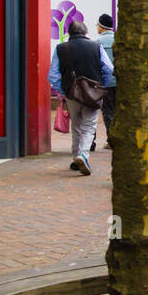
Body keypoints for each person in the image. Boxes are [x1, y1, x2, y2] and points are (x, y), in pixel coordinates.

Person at [48, 19, 114, 176]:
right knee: (89, 125)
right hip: (93, 93)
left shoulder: (61, 48)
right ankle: (83, 155)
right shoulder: (96, 47)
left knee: (76, 125)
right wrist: (100, 86)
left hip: (72, 93)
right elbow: (109, 69)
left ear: (69, 33)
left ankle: (76, 157)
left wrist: (62, 90)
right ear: (85, 33)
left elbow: (53, 75)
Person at [95, 13, 116, 150]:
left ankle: (112, 140)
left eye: (97, 24)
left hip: (106, 82)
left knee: (108, 111)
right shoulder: (118, 40)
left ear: (102, 26)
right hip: (120, 82)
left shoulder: (97, 43)